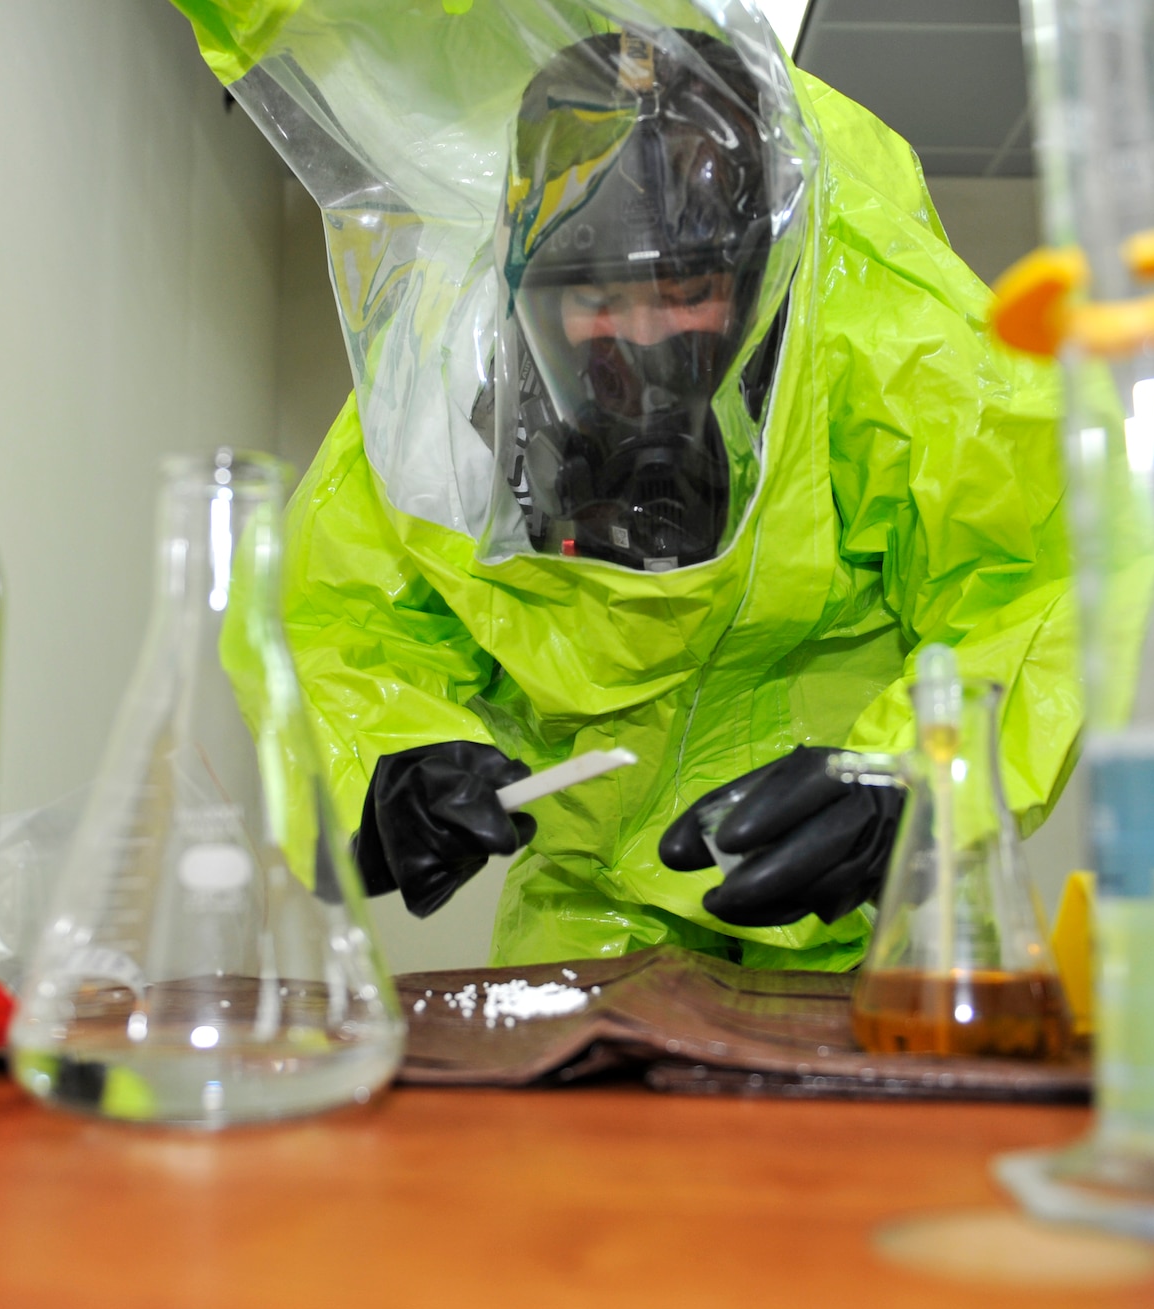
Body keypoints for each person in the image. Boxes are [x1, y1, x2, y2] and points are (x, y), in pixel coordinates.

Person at [177, 3, 1080, 970]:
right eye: (598, 295)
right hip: (579, 903)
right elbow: (348, 618)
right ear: (521, 270)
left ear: (761, 266)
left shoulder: (889, 343)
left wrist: (917, 781)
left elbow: (1038, 589)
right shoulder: (451, 378)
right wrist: (390, 762)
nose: (646, 337)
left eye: (689, 291)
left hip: (835, 896)